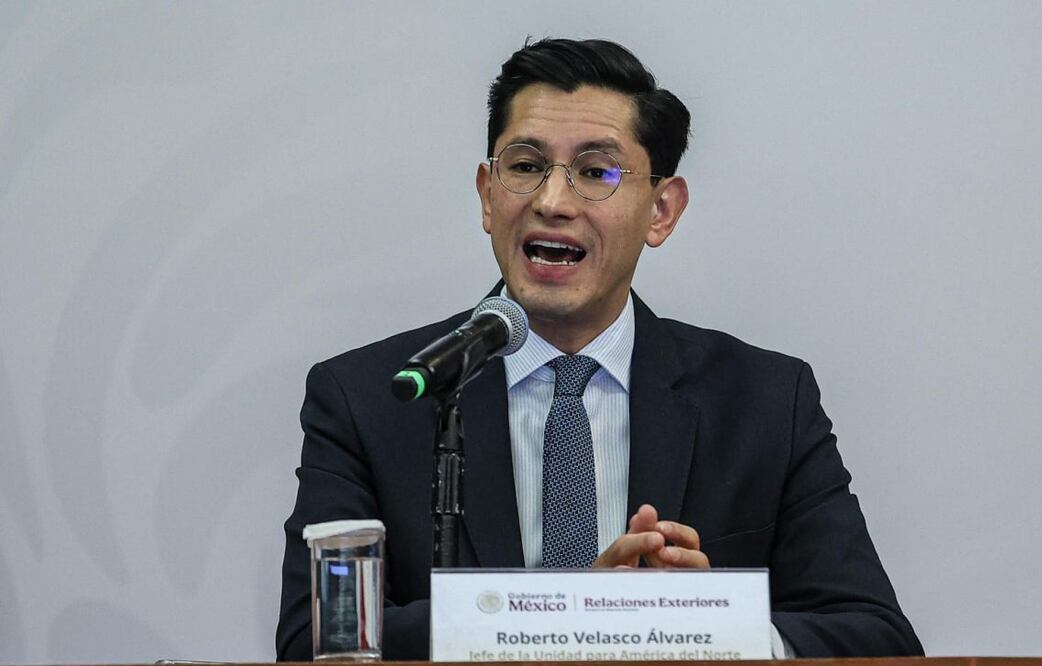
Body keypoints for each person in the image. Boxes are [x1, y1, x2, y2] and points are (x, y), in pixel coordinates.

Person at [276, 38, 923, 660]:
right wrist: (580, 612)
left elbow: (876, 638)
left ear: (661, 211)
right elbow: (317, 638)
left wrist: (710, 625)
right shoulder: (375, 396)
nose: (553, 202)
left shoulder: (763, 403)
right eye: (526, 167)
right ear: (486, 194)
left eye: (595, 172)